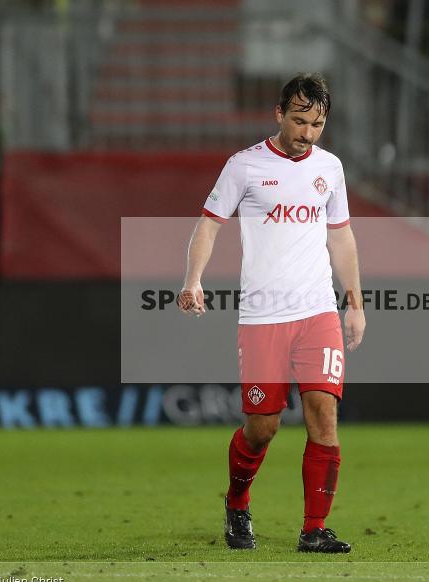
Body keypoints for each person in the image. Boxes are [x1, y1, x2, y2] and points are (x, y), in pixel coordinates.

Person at [178, 73, 365, 553]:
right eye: (300, 121)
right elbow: (209, 225)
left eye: (318, 124)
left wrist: (355, 302)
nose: (307, 133)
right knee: (262, 428)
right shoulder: (244, 166)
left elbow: (341, 236)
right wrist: (193, 279)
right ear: (279, 114)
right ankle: (237, 503)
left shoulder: (331, 168)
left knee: (324, 415)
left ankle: (314, 529)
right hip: (263, 317)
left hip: (317, 311)